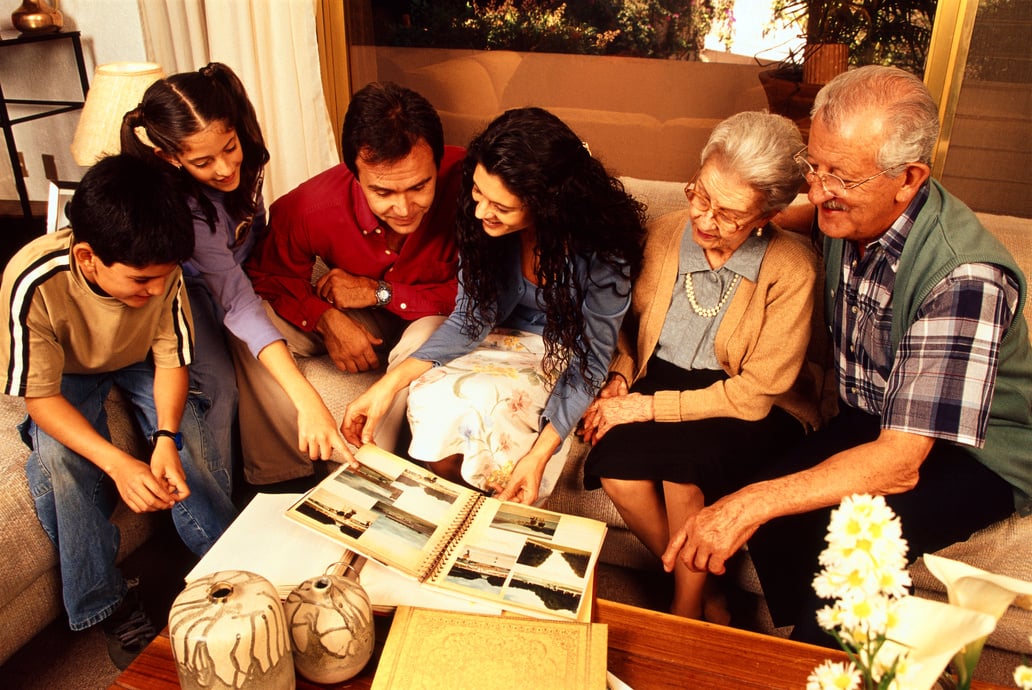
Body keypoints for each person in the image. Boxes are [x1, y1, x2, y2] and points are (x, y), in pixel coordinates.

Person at [662, 65, 1032, 645]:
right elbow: (778, 207)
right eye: (815, 165)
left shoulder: (965, 278)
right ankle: (777, 655)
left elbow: (900, 463)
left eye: (839, 176)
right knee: (772, 509)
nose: (816, 189)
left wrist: (745, 507)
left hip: (975, 454)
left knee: (849, 549)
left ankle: (825, 664)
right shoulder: (844, 211)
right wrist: (731, 207)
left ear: (908, 179)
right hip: (876, 420)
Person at [579, 111, 822, 622]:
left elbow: (757, 393)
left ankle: (684, 610)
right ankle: (709, 590)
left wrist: (644, 410)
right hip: (660, 380)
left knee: (682, 475)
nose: (705, 220)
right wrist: (621, 378)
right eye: (700, 194)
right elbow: (626, 324)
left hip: (753, 404)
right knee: (614, 466)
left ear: (768, 214)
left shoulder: (793, 267)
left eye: (729, 213)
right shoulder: (664, 233)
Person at [0, 155, 237, 668]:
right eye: (141, 281)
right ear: (87, 258)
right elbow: (39, 399)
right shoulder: (32, 279)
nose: (156, 290)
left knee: (190, 438)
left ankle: (230, 563)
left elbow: (172, 363)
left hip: (140, 362)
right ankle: (106, 603)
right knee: (59, 464)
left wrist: (166, 438)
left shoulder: (163, 272)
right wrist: (119, 463)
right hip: (65, 371)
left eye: (164, 279)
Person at [343, 107, 647, 505]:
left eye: (501, 206)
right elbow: (469, 319)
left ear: (546, 205)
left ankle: (484, 523)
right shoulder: (482, 221)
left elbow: (590, 360)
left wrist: (539, 456)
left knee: (494, 404)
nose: (482, 211)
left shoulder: (605, 246)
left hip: (561, 350)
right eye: (478, 193)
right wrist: (387, 386)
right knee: (434, 390)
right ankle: (452, 520)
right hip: (493, 338)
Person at [120, 62, 348, 489]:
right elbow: (234, 298)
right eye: (204, 161)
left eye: (229, 148)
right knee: (219, 388)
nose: (225, 168)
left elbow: (251, 248)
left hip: (235, 280)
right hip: (187, 292)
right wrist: (306, 398)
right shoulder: (189, 210)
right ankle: (218, 500)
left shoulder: (245, 167)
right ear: (169, 158)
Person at [242, 81, 463, 486]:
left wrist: (381, 292)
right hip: (363, 318)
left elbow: (485, 298)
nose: (403, 207)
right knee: (249, 323)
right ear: (354, 174)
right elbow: (267, 277)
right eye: (383, 191)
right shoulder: (309, 207)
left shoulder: (473, 185)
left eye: (420, 186)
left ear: (437, 162)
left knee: (430, 332)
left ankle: (376, 471)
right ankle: (281, 477)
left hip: (435, 316)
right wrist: (325, 318)